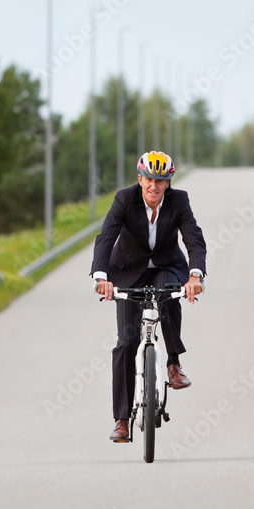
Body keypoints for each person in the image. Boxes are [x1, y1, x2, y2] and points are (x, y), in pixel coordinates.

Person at [91, 151, 207, 443]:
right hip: (127, 271)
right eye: (149, 180)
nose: (154, 186)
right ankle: (121, 420)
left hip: (166, 266)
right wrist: (101, 277)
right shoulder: (124, 199)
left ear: (168, 183)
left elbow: (192, 236)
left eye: (161, 180)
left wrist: (195, 275)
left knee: (170, 295)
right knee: (126, 343)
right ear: (139, 179)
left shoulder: (179, 200)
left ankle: (173, 363)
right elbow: (107, 236)